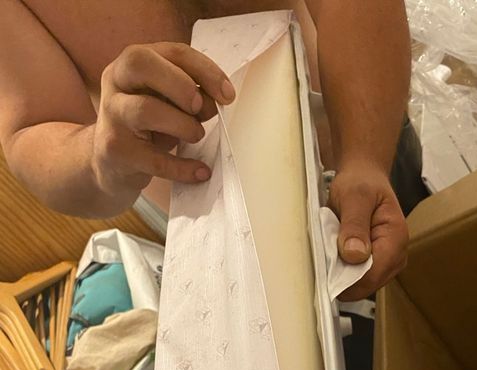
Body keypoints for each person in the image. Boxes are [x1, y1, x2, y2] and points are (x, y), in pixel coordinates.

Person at [0, 0, 411, 301]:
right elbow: (32, 127)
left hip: (362, 129)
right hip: (217, 231)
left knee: (431, 281)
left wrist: (365, 156)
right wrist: (96, 155)